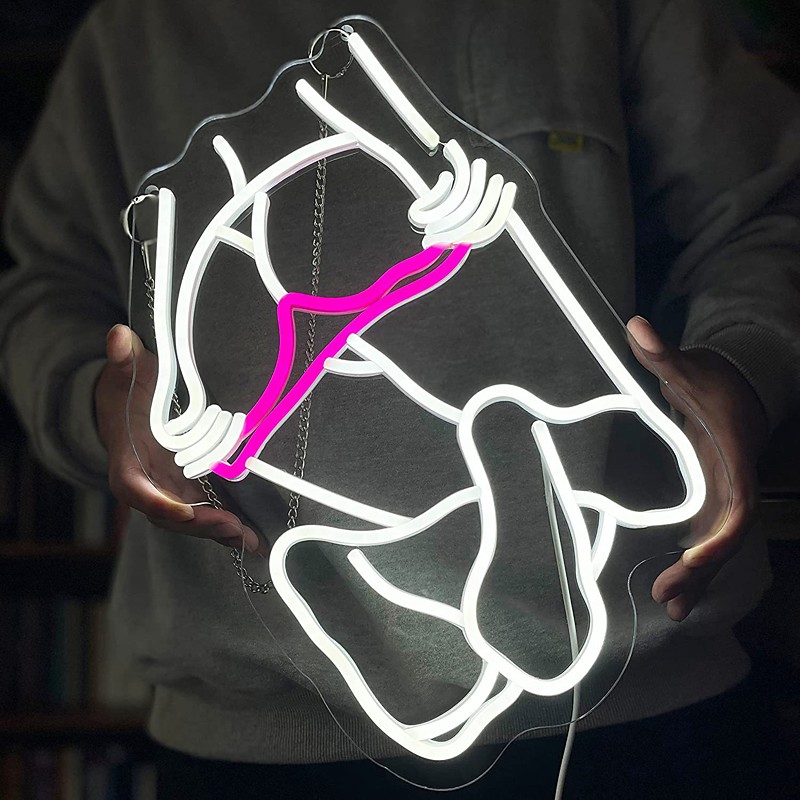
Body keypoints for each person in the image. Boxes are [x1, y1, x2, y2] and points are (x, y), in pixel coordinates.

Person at [1, 1, 799, 797]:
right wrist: (101, 402)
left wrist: (742, 370)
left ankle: (514, 524)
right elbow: (45, 291)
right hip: (257, 725)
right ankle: (480, 530)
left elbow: (765, 212)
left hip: (645, 692)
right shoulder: (130, 37)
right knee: (352, 521)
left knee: (499, 437)